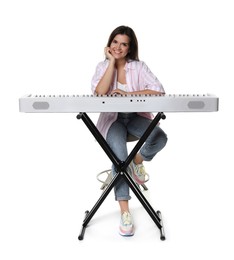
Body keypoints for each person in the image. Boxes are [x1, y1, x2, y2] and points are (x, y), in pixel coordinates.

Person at [91, 25, 167, 236]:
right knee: (119, 159)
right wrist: (112, 63)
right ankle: (125, 213)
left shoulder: (139, 67)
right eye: (115, 42)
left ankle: (137, 162)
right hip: (112, 120)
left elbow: (158, 90)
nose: (118, 47)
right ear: (110, 43)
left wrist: (128, 95)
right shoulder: (102, 66)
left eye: (124, 44)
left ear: (130, 47)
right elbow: (99, 93)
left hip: (135, 117)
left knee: (159, 137)